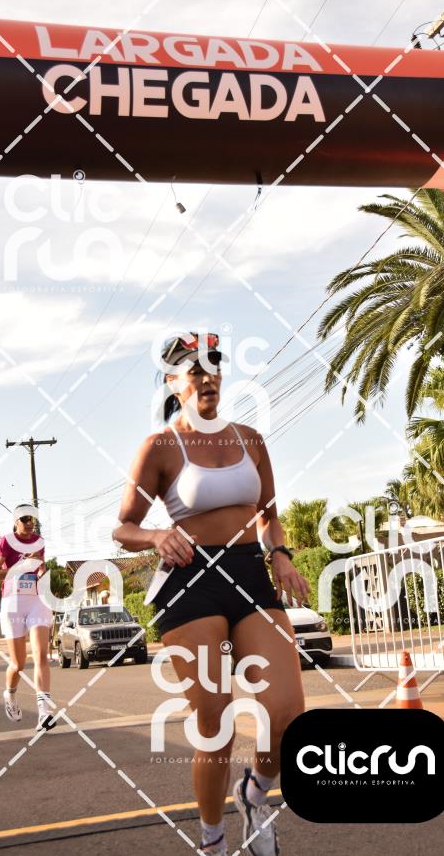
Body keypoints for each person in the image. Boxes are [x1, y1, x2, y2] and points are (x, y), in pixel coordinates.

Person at [113, 332, 310, 856]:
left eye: (213, 367)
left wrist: (280, 553)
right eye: (193, 369)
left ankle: (254, 794)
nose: (206, 376)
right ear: (173, 383)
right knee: (216, 723)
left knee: (288, 714)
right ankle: (212, 840)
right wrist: (156, 536)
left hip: (249, 575)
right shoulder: (159, 447)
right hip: (190, 582)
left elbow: (269, 516)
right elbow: (123, 527)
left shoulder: (251, 440)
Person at [0, 504, 55, 731]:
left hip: (36, 600)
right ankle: (9, 694)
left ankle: (44, 713)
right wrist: (21, 566)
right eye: (25, 519)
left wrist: (42, 571)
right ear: (16, 522)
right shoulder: (6, 541)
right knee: (18, 664)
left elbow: (40, 569)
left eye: (32, 519)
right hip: (13, 602)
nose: (29, 523)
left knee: (41, 655)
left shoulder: (39, 542)